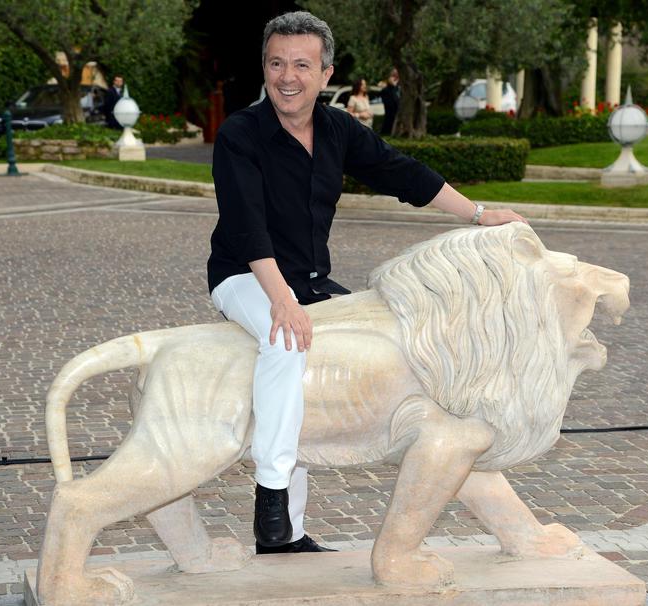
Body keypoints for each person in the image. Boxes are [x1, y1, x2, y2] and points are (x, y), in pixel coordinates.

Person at [207, 11, 526, 555]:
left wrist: (479, 214)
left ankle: (288, 536)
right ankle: (272, 496)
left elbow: (401, 172)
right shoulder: (241, 134)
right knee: (286, 341)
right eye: (277, 63)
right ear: (264, 68)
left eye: (301, 65)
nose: (288, 76)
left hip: (310, 281)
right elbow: (246, 226)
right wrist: (282, 302)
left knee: (391, 332)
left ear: (325, 74)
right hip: (244, 275)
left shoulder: (337, 129)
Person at [379, 67, 400, 136]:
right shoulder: (386, 90)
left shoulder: (400, 87)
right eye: (393, 75)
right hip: (390, 117)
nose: (395, 78)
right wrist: (393, 86)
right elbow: (392, 103)